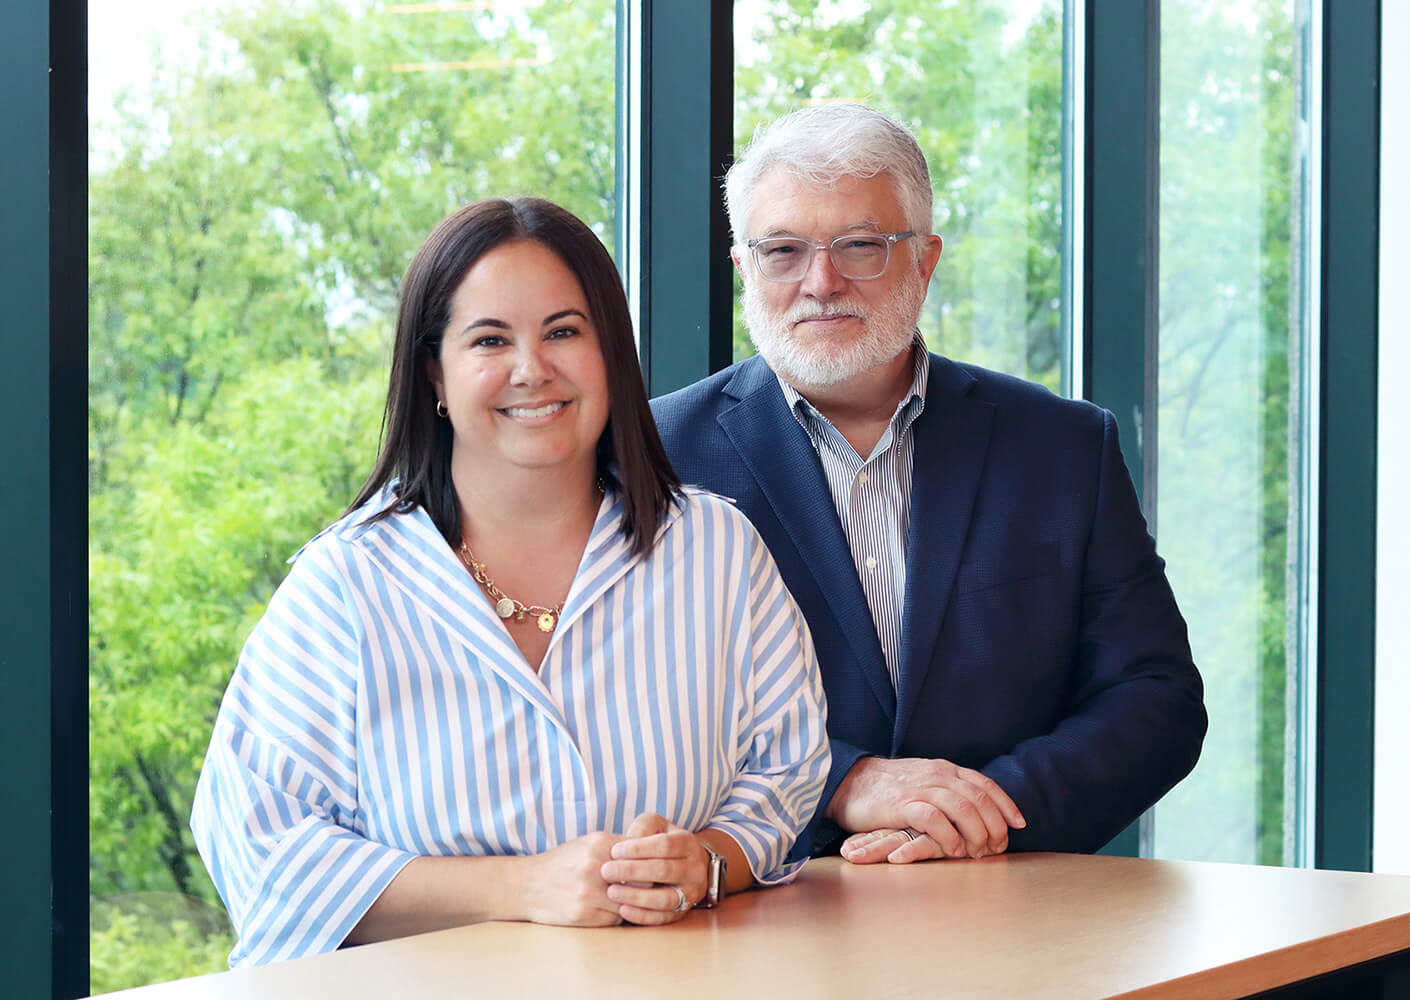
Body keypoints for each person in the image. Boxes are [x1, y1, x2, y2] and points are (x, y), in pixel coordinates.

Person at [191, 197, 830, 967]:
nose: (533, 369)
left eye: (564, 331)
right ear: (435, 371)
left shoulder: (717, 550)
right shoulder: (347, 586)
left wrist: (708, 861)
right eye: (490, 339)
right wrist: (520, 887)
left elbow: (787, 769)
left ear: (610, 357)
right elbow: (259, 848)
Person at [651, 103, 1206, 864]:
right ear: (745, 268)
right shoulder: (655, 458)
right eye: (783, 249)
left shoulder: (1063, 448)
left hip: (1020, 915)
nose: (821, 282)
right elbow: (633, 711)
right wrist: (842, 781)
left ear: (925, 258)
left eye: (861, 246)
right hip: (765, 917)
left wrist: (979, 814)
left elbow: (1154, 698)